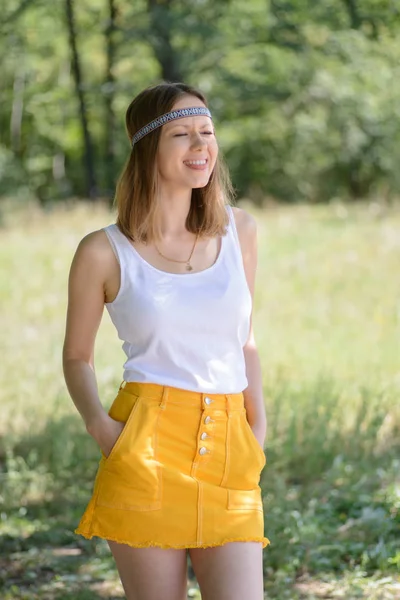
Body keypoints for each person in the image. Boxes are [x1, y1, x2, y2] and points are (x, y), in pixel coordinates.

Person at [62, 81, 269, 600]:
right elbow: (76, 356)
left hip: (228, 445)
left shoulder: (239, 232)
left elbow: (245, 341)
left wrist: (257, 428)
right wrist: (103, 431)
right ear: (148, 147)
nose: (202, 146)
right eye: (182, 134)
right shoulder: (103, 252)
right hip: (145, 444)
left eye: (208, 131)